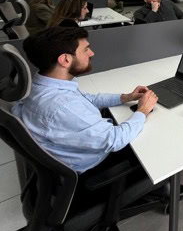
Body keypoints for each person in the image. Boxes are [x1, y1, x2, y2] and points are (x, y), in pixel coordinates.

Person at [11, 27, 158, 173]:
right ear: (65, 59)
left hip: (71, 146)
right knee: (152, 147)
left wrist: (125, 97)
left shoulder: (44, 83)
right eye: (86, 49)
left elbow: (87, 99)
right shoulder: (64, 106)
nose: (91, 53)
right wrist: (142, 110)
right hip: (93, 166)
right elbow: (114, 140)